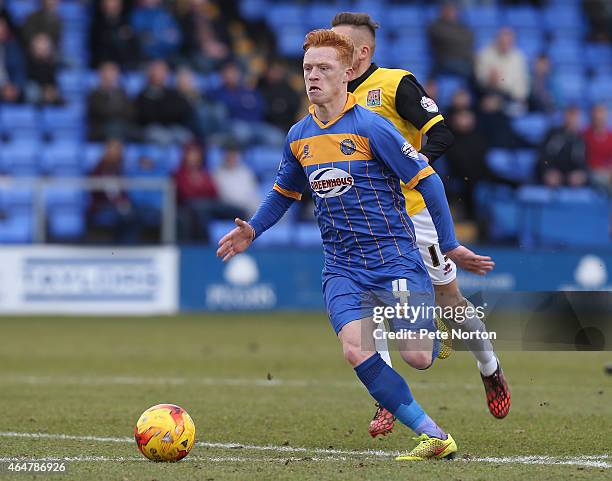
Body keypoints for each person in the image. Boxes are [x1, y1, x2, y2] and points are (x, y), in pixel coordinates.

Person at [218, 29, 496, 461]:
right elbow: (283, 193)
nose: (313, 76)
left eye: (324, 68)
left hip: (395, 257)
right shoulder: (298, 136)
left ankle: (432, 324)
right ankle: (434, 435)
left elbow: (430, 182)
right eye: (308, 68)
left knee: (419, 357)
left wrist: (450, 244)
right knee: (355, 349)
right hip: (342, 266)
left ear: (347, 73)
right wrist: (253, 229)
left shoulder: (374, 128)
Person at [330, 12, 510, 437]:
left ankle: (489, 366)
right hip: (366, 220)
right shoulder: (329, 96)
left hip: (414, 214)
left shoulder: (396, 85)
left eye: (337, 47)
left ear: (361, 53)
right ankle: (386, 398)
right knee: (368, 302)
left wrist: (406, 165)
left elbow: (443, 134)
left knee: (450, 300)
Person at [135, 60, 193, 145]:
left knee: (187, 137)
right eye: (157, 71)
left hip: (173, 127)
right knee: (162, 138)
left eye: (163, 71)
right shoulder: (143, 94)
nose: (160, 74)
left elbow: (182, 111)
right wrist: (167, 112)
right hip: (152, 128)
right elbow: (148, 116)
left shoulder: (172, 92)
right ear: (150, 73)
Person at [475, 27, 529, 106]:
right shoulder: (485, 54)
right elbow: (480, 79)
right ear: (496, 40)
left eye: (509, 42)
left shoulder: (519, 57)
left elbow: (523, 80)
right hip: (491, 92)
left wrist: (520, 97)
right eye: (502, 42)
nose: (505, 45)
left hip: (513, 96)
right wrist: (490, 80)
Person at [537, 106, 588, 187]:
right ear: (565, 117)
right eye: (570, 116)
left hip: (570, 173)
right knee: (552, 179)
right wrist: (548, 170)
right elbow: (544, 157)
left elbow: (582, 161)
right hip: (552, 170)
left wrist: (580, 172)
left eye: (576, 117)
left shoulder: (580, 139)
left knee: (579, 178)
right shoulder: (553, 134)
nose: (573, 120)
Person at [86, 61, 137, 141]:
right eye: (107, 71)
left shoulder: (122, 92)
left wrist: (116, 110)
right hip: (100, 130)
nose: (110, 75)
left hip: (121, 127)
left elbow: (130, 112)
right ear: (100, 74)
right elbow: (101, 113)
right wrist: (118, 109)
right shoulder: (94, 94)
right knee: (114, 128)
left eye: (113, 71)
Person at [427, 1, 474, 78]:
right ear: (442, 11)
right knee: (471, 69)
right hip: (445, 61)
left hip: (463, 59)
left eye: (453, 10)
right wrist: (459, 40)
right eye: (448, 10)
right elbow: (446, 39)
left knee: (477, 67)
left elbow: (471, 37)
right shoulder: (436, 26)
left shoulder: (460, 25)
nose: (451, 12)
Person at [212, 144, 260, 216]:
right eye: (229, 155)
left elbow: (253, 193)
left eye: (234, 155)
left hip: (249, 207)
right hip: (231, 210)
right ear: (224, 156)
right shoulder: (217, 173)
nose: (232, 158)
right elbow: (224, 197)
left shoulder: (246, 171)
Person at [89, 0, 139, 69]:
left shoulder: (127, 22)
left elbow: (133, 49)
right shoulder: (96, 25)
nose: (111, 4)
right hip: (102, 64)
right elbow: (97, 48)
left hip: (124, 65)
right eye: (108, 1)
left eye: (115, 1)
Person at [583, 104, 612, 190]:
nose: (598, 118)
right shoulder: (584, 136)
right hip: (591, 172)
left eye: (601, 114)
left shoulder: (610, 136)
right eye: (596, 115)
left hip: (608, 172)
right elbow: (581, 158)